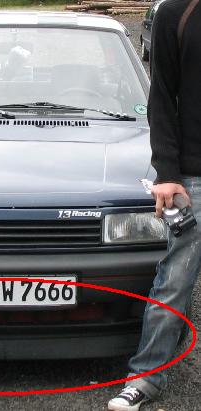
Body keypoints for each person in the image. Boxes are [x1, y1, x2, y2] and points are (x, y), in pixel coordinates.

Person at [108, 0, 201, 409]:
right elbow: (161, 97)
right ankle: (145, 379)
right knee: (174, 281)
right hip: (194, 176)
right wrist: (167, 173)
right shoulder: (176, 13)